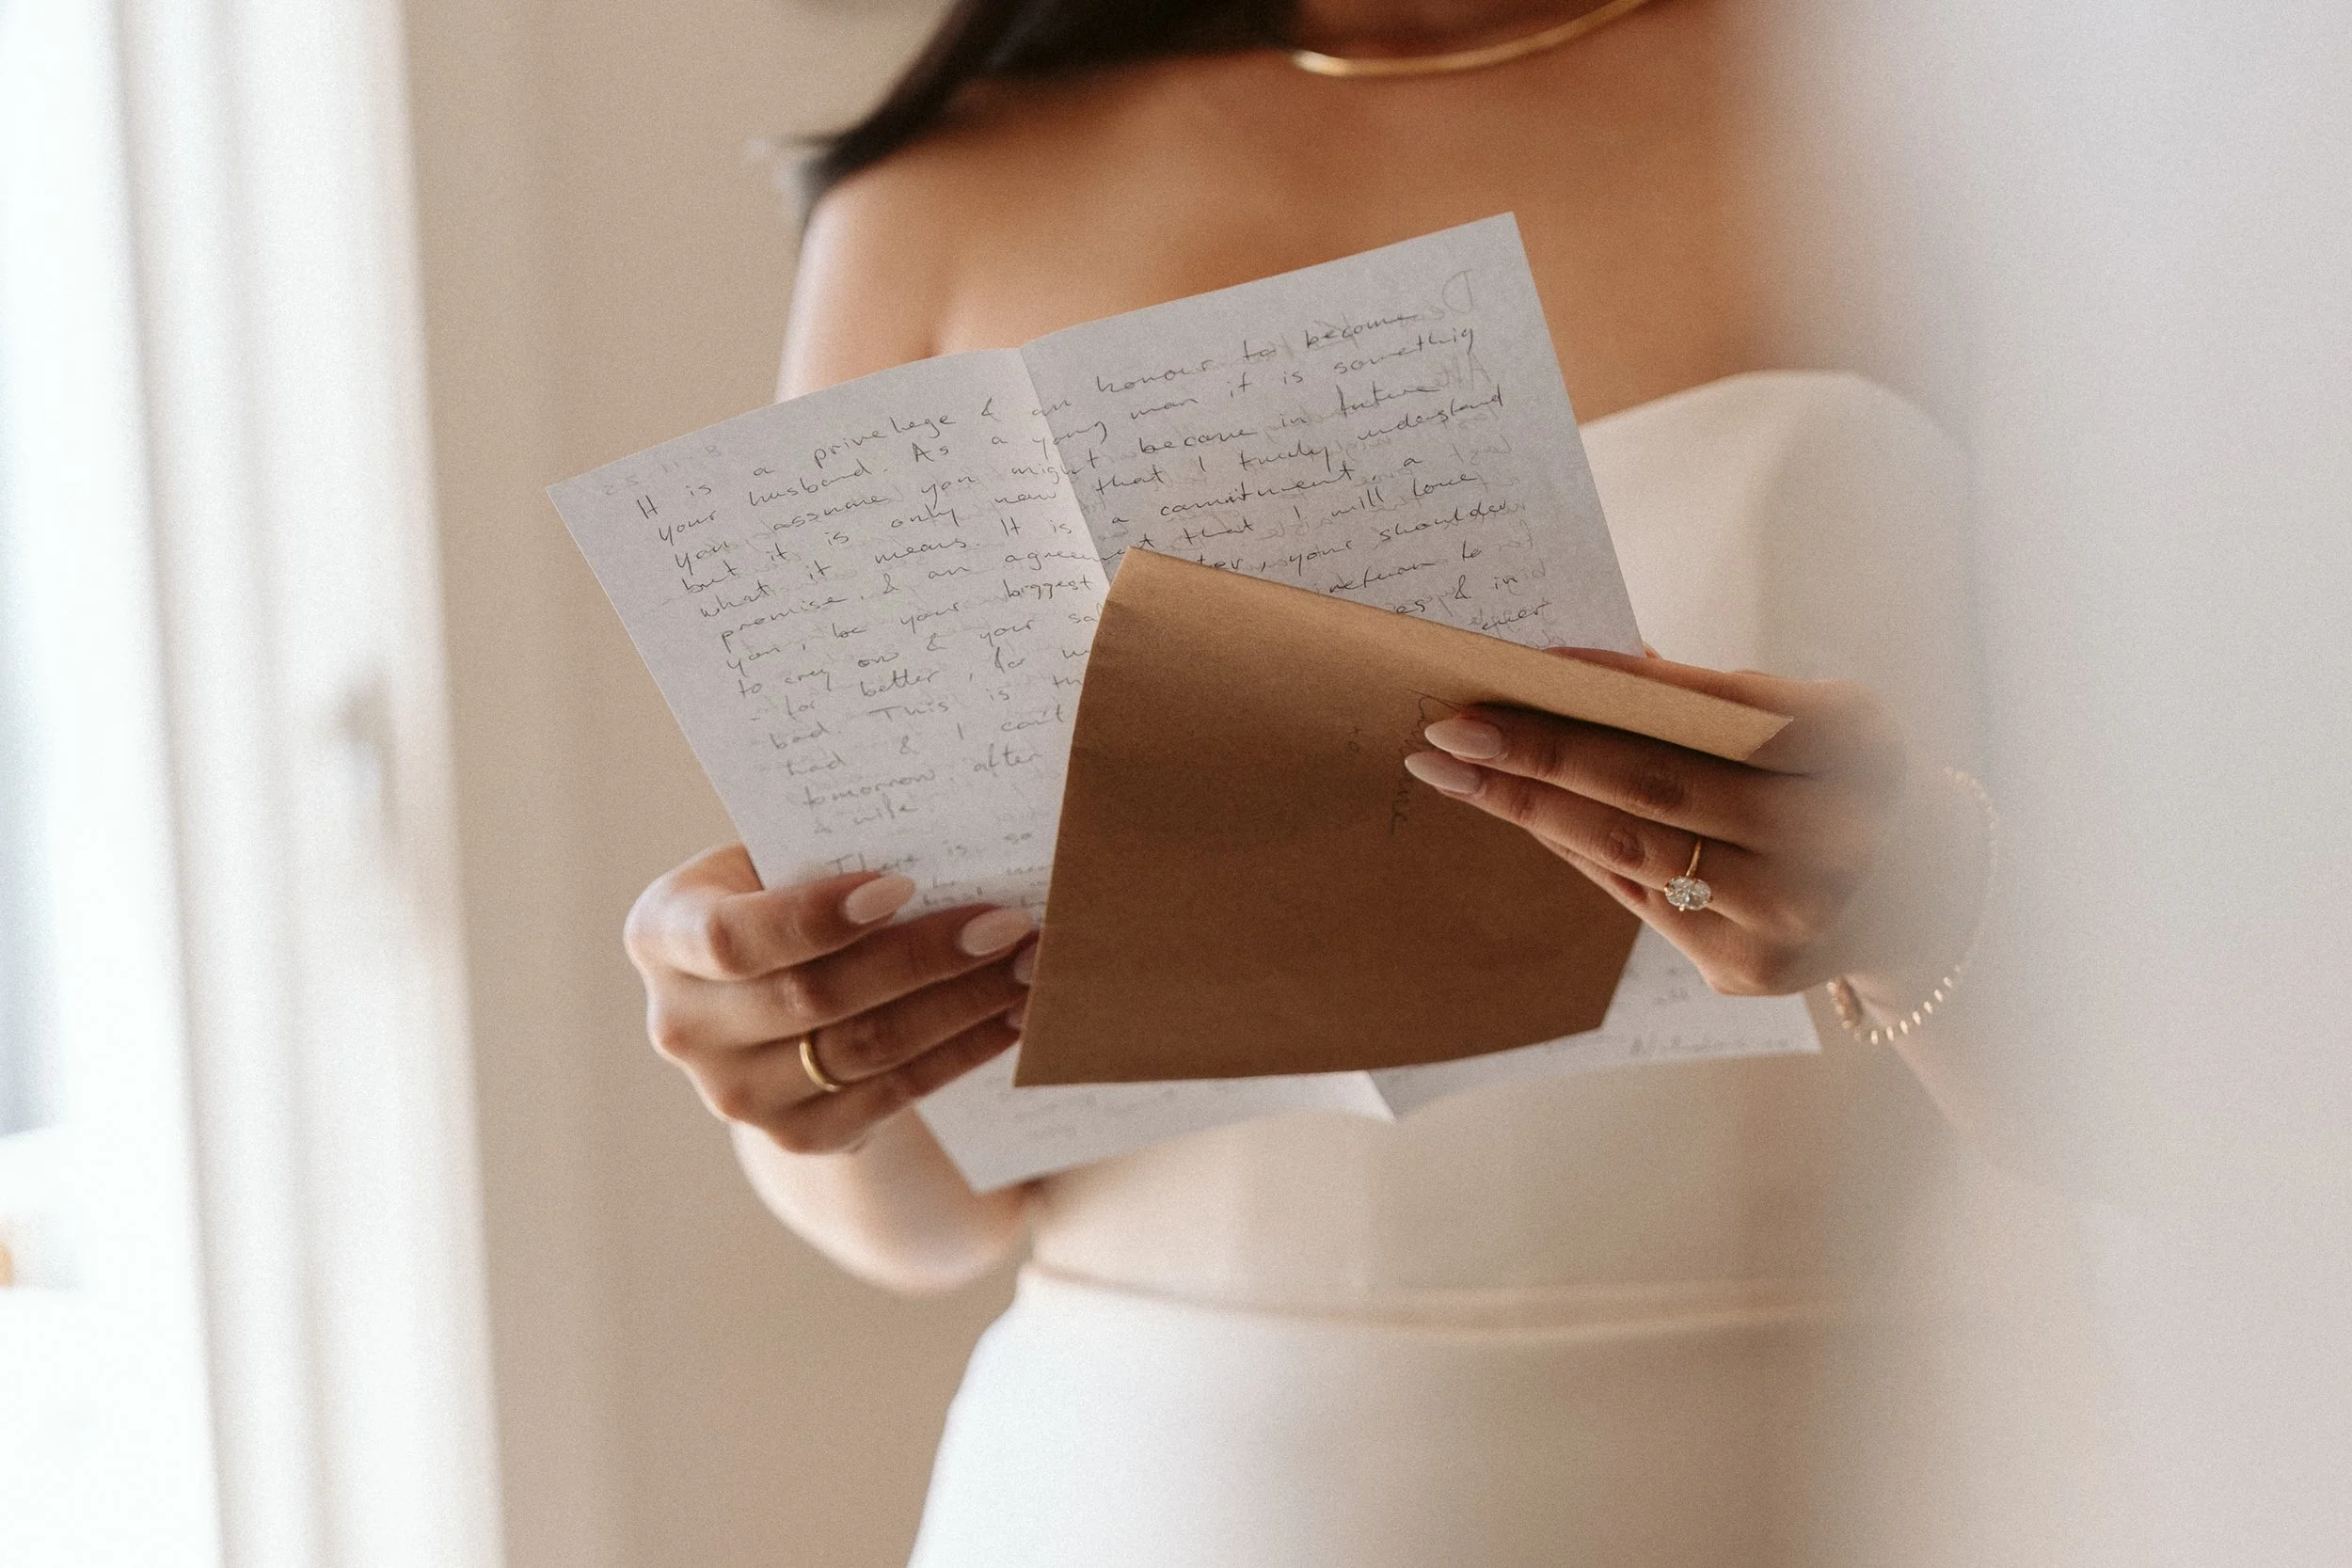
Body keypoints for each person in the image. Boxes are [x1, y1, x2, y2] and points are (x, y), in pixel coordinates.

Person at [624, 2, 2015, 1561]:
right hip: (1155, 1484)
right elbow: (937, 1205)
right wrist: (802, 1068)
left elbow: (2259, 1041)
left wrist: (1930, 910)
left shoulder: (1952, 100)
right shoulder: (927, 207)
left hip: (1846, 1468)